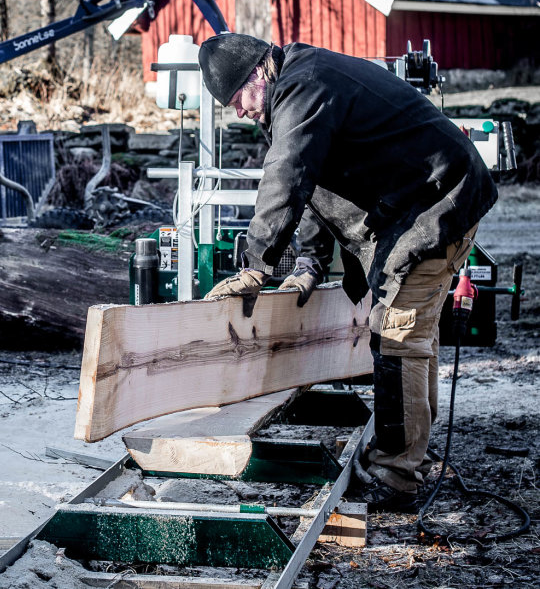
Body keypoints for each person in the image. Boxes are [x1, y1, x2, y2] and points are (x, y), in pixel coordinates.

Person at [199, 33, 497, 512]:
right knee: (413, 335)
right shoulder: (293, 89)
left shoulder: (305, 85)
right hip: (421, 203)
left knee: (397, 338)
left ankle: (396, 474)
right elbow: (314, 180)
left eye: (236, 99)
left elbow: (288, 172)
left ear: (257, 73)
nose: (237, 111)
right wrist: (309, 262)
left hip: (437, 203)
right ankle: (410, 452)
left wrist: (256, 265)